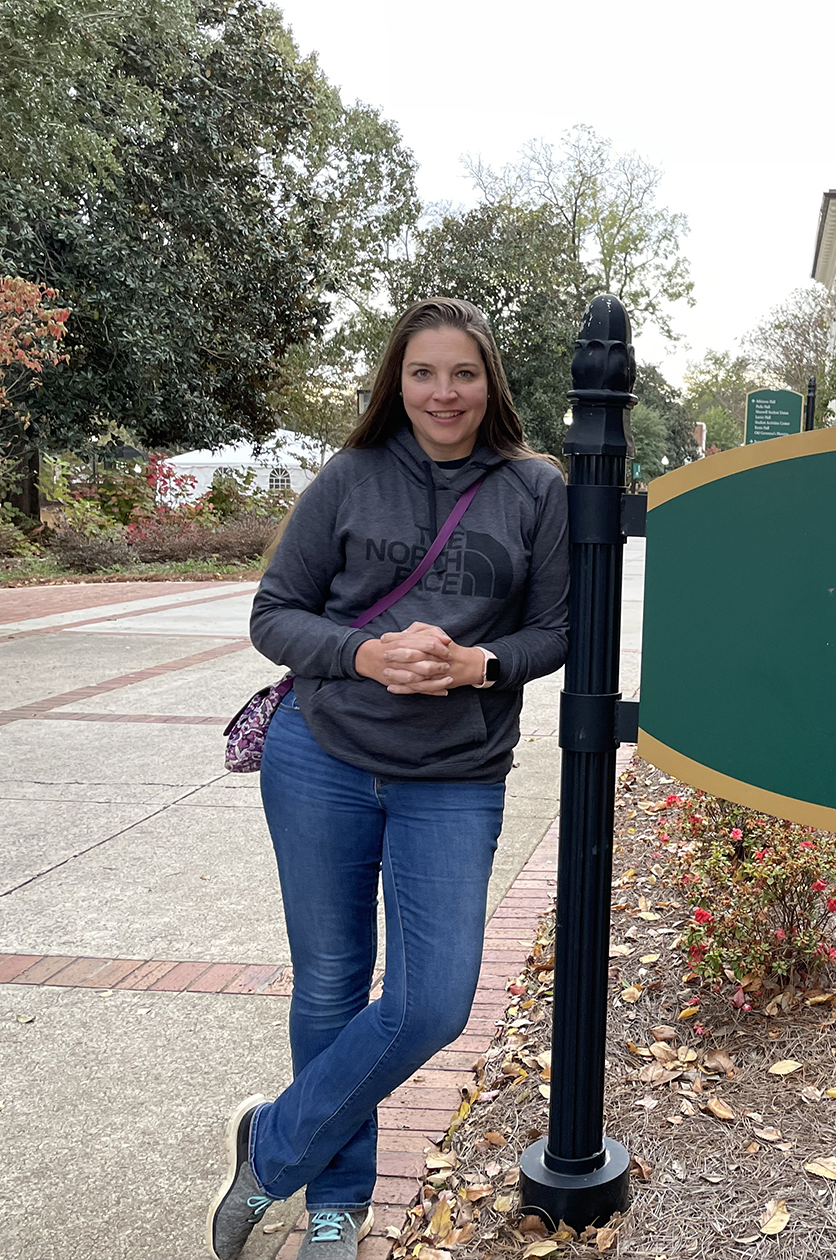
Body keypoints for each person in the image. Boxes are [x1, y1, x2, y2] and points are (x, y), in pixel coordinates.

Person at [208, 297, 568, 1259]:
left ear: (489, 381)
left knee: (434, 1003)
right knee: (330, 984)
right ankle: (339, 1199)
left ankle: (274, 1144)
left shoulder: (535, 489)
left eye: (462, 373)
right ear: (395, 383)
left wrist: (479, 666)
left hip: (453, 774)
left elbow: (559, 629)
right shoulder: (351, 477)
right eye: (423, 373)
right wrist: (365, 656)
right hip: (321, 755)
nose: (443, 392)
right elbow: (275, 614)